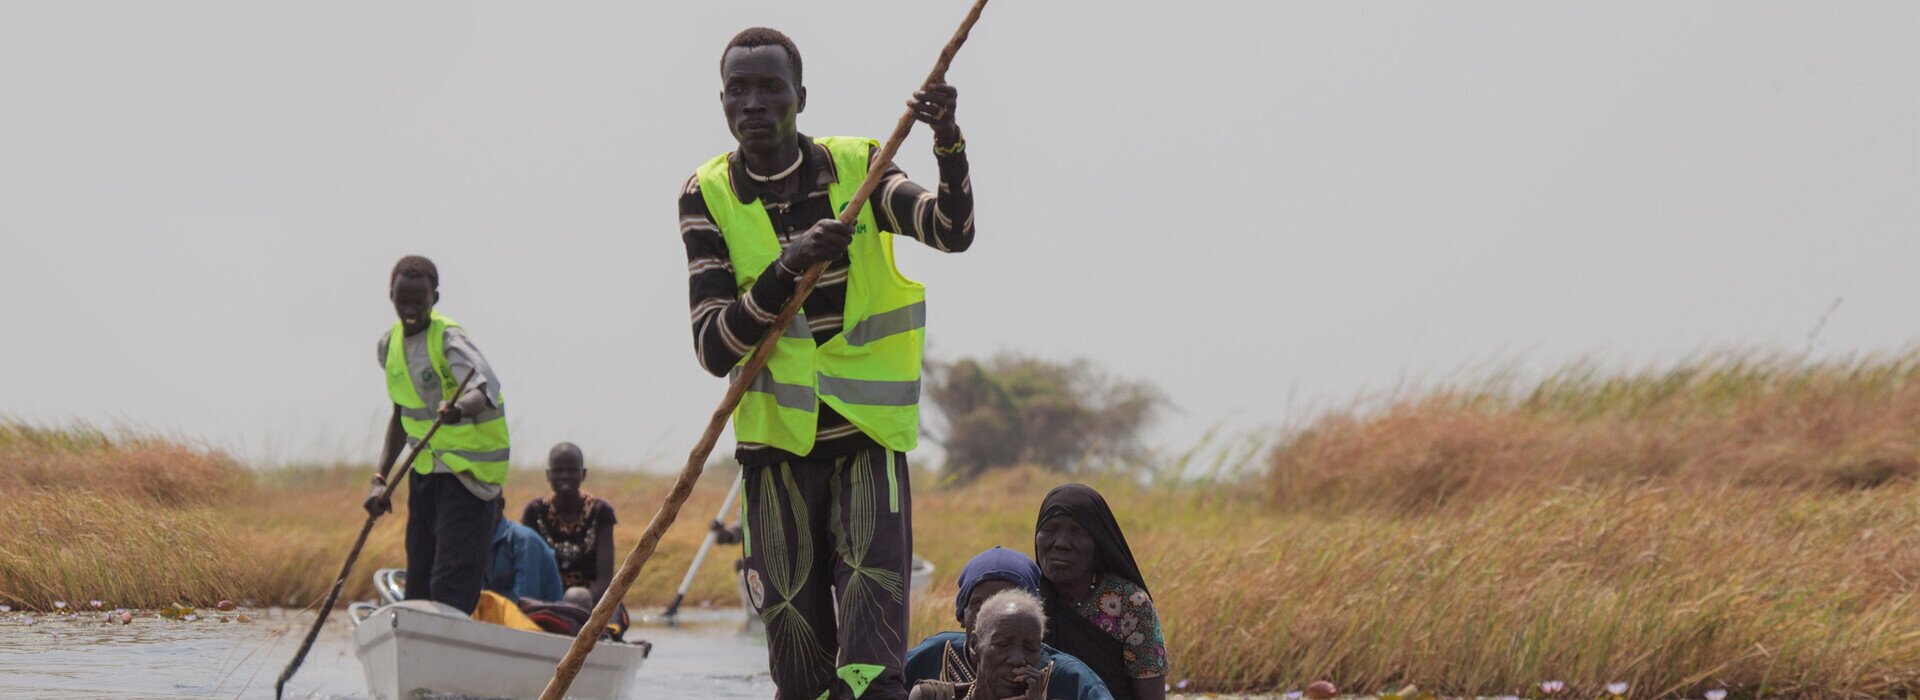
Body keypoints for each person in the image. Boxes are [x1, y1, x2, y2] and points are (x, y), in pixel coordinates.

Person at [679, 26, 977, 700]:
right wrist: (788, 267)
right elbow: (713, 345)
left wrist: (948, 143)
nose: (753, 103)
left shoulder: (860, 170)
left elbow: (952, 231)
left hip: (867, 446)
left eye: (770, 89)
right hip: (774, 458)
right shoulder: (707, 196)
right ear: (723, 103)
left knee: (872, 675)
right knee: (799, 675)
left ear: (800, 98)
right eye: (738, 91)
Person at [364, 254, 510, 615]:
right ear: (391, 296)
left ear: (435, 299)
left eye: (419, 300)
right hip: (425, 474)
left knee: (450, 584)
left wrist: (458, 409)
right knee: (419, 585)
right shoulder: (389, 346)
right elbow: (400, 414)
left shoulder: (448, 339)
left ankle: (449, 651)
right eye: (403, 300)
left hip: (468, 478)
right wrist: (380, 479)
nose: (410, 308)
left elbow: (482, 389)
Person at [905, 547, 1113, 700]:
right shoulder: (930, 666)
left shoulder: (1071, 679)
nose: (1016, 658)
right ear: (961, 615)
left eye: (1029, 646)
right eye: (980, 606)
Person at [1033, 485, 1168, 700]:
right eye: (1050, 528)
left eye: (1077, 531)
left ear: (1098, 543)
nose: (1060, 543)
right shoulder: (1025, 597)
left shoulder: (1130, 604)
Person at [907, 589, 1054, 700]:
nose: (1018, 659)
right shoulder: (930, 696)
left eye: (1030, 648)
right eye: (1003, 644)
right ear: (974, 644)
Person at [520, 442, 617, 602]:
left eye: (572, 470)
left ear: (583, 473)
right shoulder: (534, 511)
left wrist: (575, 603)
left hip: (591, 599)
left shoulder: (600, 511)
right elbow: (528, 571)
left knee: (576, 598)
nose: (565, 476)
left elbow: (604, 581)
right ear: (548, 475)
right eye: (558, 470)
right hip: (546, 599)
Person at [484, 494, 565, 605]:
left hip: (534, 619)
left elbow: (525, 603)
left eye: (483, 503)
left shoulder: (524, 541)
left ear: (500, 505)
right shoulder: (475, 542)